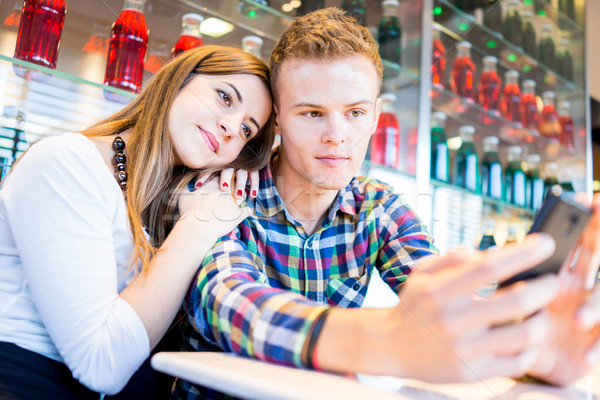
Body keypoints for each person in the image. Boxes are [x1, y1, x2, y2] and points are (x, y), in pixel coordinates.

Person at [173, 8, 600, 399]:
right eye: (312, 113)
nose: (337, 137)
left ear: (377, 115)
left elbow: (440, 295)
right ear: (278, 117)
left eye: (355, 113)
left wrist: (529, 338)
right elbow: (228, 303)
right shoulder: (226, 189)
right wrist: (387, 341)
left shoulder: (377, 206)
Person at [0, 45, 276, 399]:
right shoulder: (65, 163)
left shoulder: (155, 204)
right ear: (179, 79)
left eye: (246, 131)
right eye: (224, 97)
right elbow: (102, 365)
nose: (230, 127)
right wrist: (201, 223)